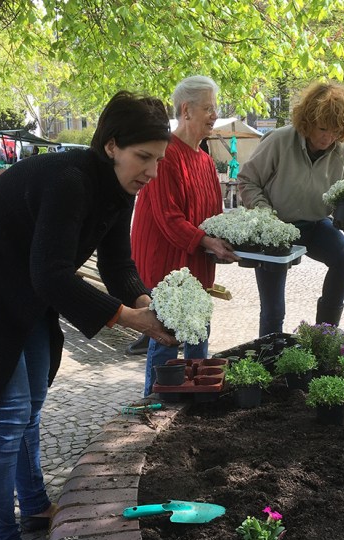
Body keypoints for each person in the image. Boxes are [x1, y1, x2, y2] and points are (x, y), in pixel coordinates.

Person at [0, 91, 175, 540]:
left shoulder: (120, 188)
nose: (151, 172)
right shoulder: (70, 180)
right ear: (111, 145)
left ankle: (34, 506)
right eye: (143, 157)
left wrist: (147, 305)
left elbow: (118, 265)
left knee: (31, 404)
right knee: (9, 414)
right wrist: (131, 320)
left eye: (158, 160)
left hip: (26, 291)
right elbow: (52, 275)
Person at [131, 75, 238, 392]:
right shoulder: (165, 155)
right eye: (209, 108)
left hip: (196, 268)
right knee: (168, 342)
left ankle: (193, 404)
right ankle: (153, 405)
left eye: (215, 108)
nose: (215, 115)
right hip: (168, 268)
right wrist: (208, 242)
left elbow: (213, 216)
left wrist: (228, 243)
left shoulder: (205, 160)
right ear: (186, 110)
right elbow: (169, 217)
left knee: (199, 340)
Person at [238, 81, 344, 336]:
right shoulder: (280, 140)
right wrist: (266, 216)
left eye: (336, 131)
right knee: (273, 310)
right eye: (323, 128)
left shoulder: (341, 154)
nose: (328, 137)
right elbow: (248, 180)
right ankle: (270, 353)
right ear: (308, 120)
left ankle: (324, 334)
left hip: (315, 225)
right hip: (275, 229)